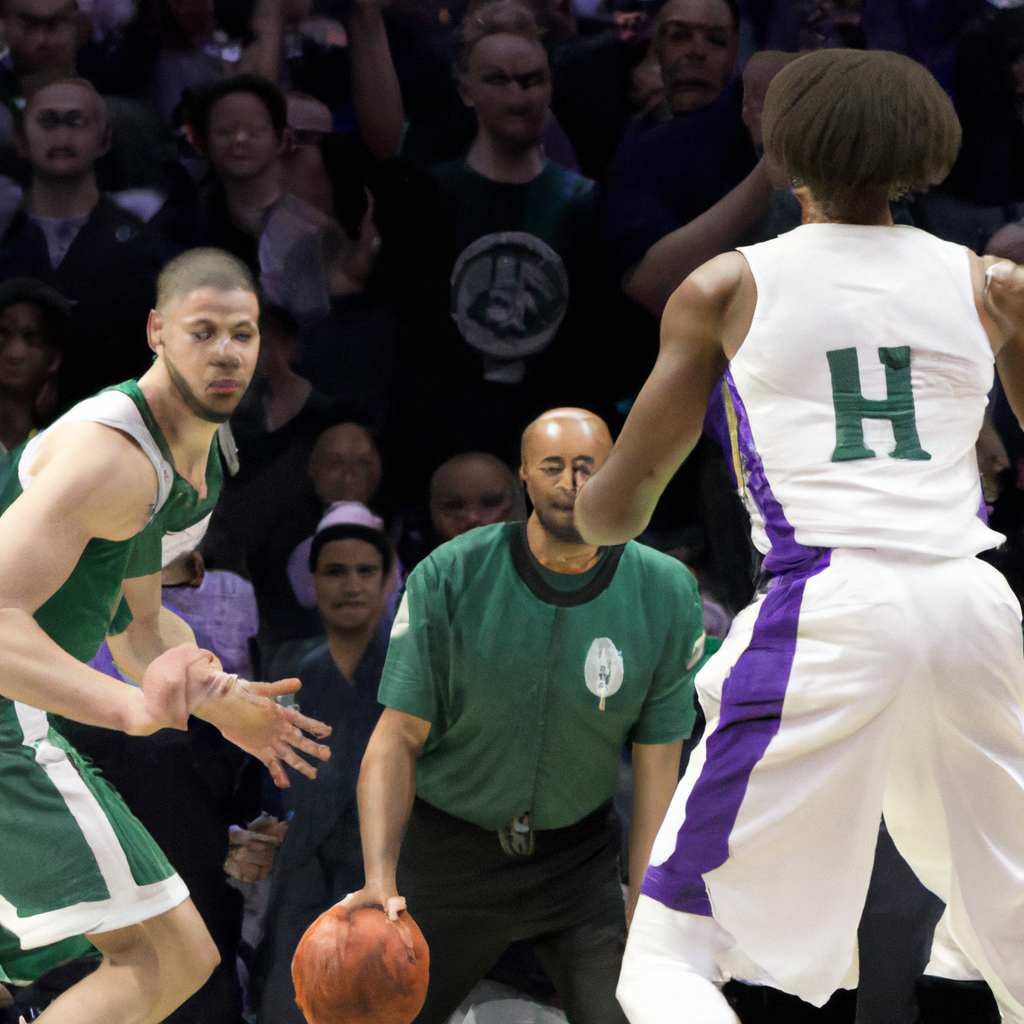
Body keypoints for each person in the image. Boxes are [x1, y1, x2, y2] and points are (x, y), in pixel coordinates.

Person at [573, 48, 1024, 1024]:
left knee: (668, 959)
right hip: (971, 611)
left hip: (827, 608)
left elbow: (620, 504)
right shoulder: (992, 284)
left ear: (781, 149)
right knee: (1004, 943)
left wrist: (588, 504)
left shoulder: (726, 284)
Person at [0, 246, 332, 1021]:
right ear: (156, 331)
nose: (225, 352)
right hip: (8, 721)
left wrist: (222, 698)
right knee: (167, 954)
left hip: (25, 711)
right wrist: (131, 709)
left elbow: (138, 625)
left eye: (242, 334)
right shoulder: (113, 457)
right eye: (203, 330)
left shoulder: (198, 450)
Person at [344, 407, 705, 1024]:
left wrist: (647, 907)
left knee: (636, 1011)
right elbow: (395, 739)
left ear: (615, 472)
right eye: (553, 467)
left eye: (588, 467)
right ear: (524, 480)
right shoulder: (451, 574)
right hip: (448, 858)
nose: (570, 482)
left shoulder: (665, 589)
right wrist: (380, 878)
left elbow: (657, 767)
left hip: (577, 865)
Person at [252, 504, 395, 1024]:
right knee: (291, 1005)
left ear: (387, 581)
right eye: (335, 571)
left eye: (365, 571)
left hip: (389, 868)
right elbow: (272, 779)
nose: (351, 585)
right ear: (312, 581)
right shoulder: (288, 670)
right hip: (302, 868)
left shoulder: (412, 673)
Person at [0, 76, 171, 407]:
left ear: (104, 139)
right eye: (48, 122)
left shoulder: (142, 248)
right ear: (20, 140)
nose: (62, 136)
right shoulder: (6, 239)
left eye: (76, 123)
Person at [0, 276, 69, 449]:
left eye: (31, 337)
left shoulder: (66, 439)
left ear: (54, 358)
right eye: (3, 334)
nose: (14, 354)